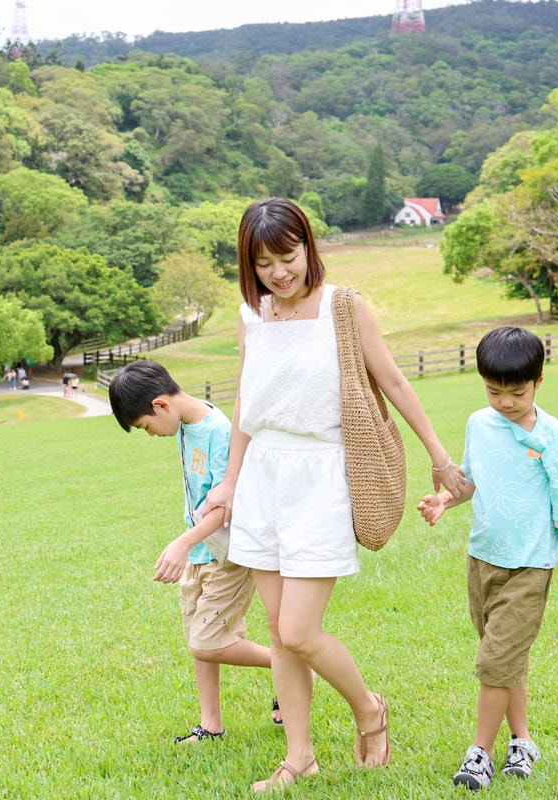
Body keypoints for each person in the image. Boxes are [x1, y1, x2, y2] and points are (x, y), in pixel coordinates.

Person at [202, 197, 467, 791]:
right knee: (275, 627)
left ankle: (369, 709)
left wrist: (439, 455)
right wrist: (231, 479)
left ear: (308, 247)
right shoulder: (253, 314)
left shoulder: (342, 308)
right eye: (264, 262)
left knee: (297, 630)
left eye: (288, 256)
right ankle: (300, 755)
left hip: (320, 476)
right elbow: (248, 402)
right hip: (264, 474)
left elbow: (392, 379)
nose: (279, 272)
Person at [417, 326, 558, 791]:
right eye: (495, 391)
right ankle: (523, 741)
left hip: (530, 565)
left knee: (495, 661)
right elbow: (472, 480)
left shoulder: (552, 435)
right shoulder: (479, 423)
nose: (506, 402)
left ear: (539, 382)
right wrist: (446, 501)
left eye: (517, 392)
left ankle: (480, 754)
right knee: (505, 660)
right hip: (483, 560)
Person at [108, 360, 280, 742]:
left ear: (160, 406)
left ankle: (291, 665)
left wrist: (182, 543)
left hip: (226, 554)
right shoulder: (186, 425)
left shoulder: (218, 431)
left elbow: (224, 505)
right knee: (197, 643)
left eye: (145, 427)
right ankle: (211, 726)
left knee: (208, 641)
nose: (151, 435)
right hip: (200, 551)